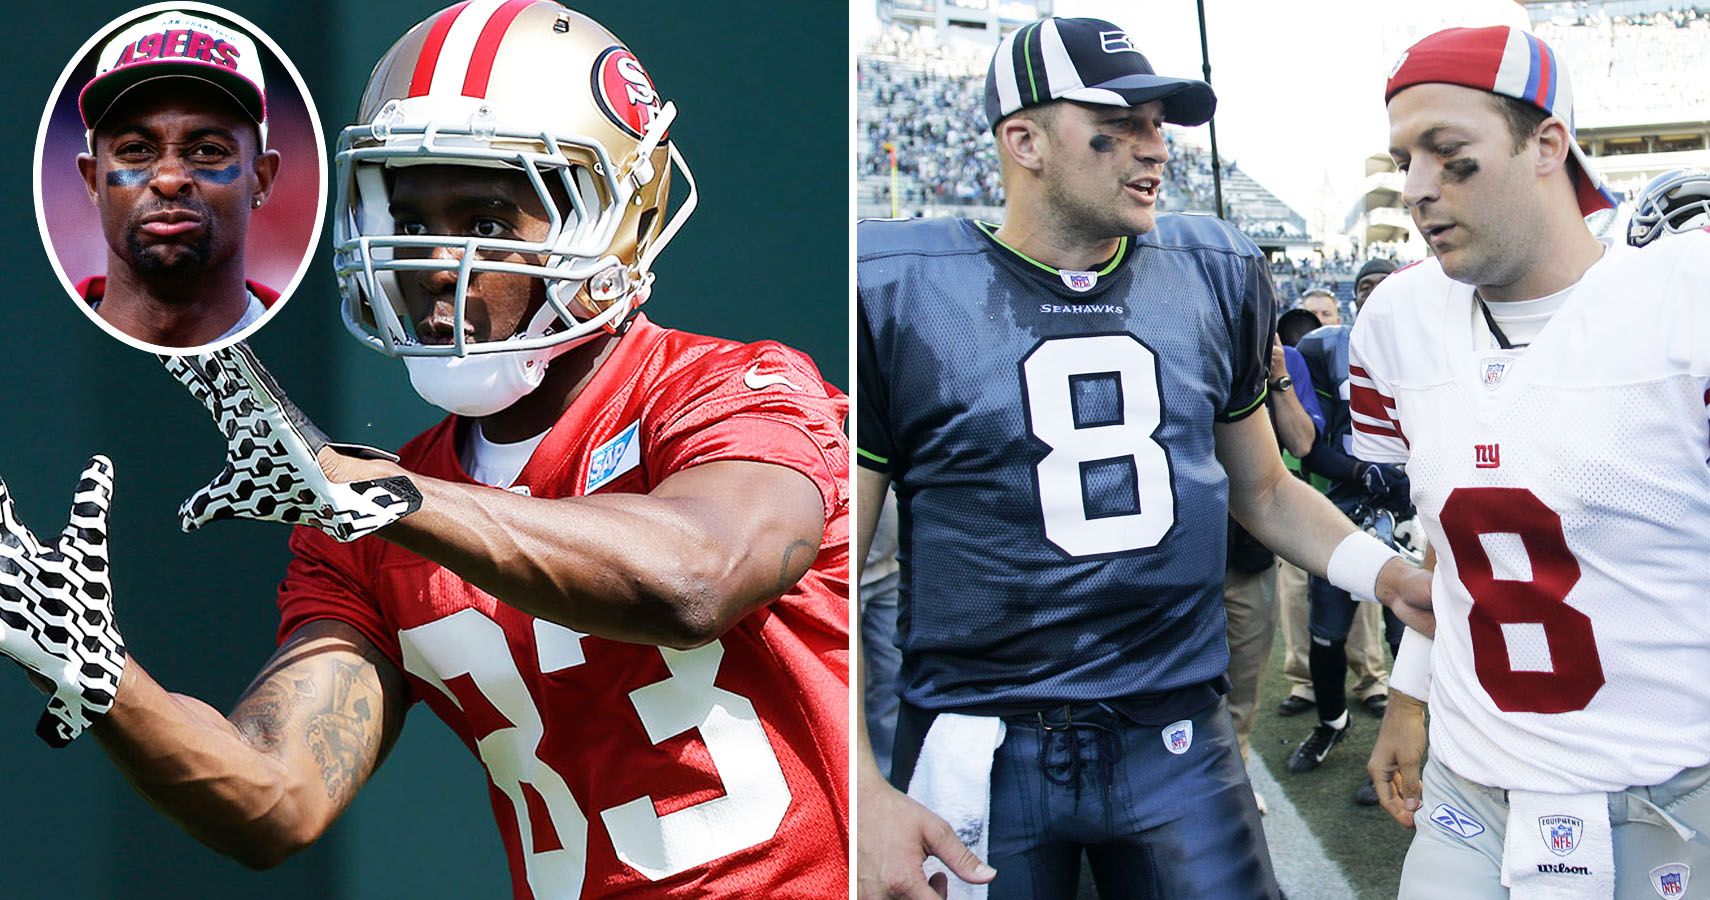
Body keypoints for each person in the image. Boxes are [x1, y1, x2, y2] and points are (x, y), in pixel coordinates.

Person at [0, 4, 850, 898]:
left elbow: (695, 578)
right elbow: (274, 799)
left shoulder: (732, 391)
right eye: (408, 214)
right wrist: (99, 677)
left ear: (613, 221)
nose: (435, 261)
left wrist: (392, 497)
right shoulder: (356, 514)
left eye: (484, 214)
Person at [855, 16, 1432, 900]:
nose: (1152, 149)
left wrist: (1384, 576)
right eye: (1117, 125)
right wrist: (860, 787)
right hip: (978, 741)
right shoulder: (895, 289)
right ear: (1024, 141)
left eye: (1159, 124)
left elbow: (1267, 491)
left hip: (1175, 729)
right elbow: (826, 571)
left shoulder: (1213, 270)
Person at [1359, 26, 1710, 899]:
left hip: (1671, 789)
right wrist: (1409, 694)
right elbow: (1455, 541)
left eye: (1451, 157)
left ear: (1548, 144)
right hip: (1475, 788)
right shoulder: (1398, 319)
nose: (1417, 190)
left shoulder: (1683, 304)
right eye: (1405, 159)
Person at [74, 9, 281, 349]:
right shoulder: (24, 351)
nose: (170, 179)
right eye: (136, 150)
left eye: (208, 151)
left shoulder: (309, 350)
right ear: (93, 180)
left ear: (261, 179)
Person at [1284, 259, 1409, 780]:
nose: (1374, 294)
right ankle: (1333, 721)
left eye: (1384, 285)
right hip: (1344, 503)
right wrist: (1363, 472)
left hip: (1411, 508)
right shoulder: (1323, 347)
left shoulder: (1427, 341)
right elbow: (1309, 446)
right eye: (1364, 286)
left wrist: (1406, 481)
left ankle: (1406, 742)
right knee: (1327, 632)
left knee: (1408, 634)